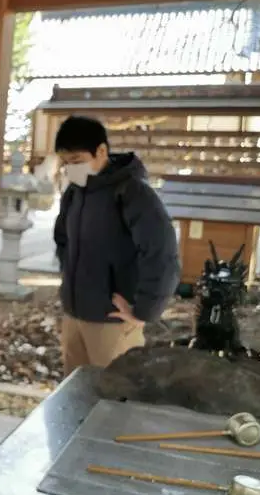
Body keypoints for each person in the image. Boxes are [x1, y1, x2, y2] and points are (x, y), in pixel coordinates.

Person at [53, 115, 180, 374]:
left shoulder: (132, 192)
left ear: (101, 151)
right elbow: (62, 239)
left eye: (76, 161)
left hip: (113, 321)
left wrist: (144, 309)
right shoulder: (74, 192)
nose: (70, 168)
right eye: (65, 162)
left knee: (114, 391)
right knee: (74, 391)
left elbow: (161, 252)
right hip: (75, 316)